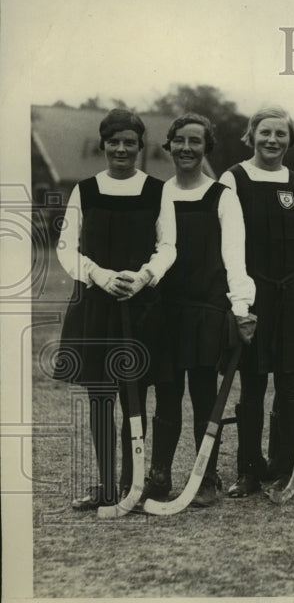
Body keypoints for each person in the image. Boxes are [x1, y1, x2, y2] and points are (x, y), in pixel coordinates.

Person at [55, 108, 176, 510]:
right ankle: (106, 487)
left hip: (140, 308)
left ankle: (132, 486)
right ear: (103, 145)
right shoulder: (85, 190)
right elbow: (66, 247)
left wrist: (143, 277)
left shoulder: (158, 190)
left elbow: (168, 246)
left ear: (140, 146)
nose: (121, 149)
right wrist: (98, 275)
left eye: (129, 142)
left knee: (134, 398)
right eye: (114, 142)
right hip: (95, 306)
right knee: (101, 398)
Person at [219, 106, 294, 497]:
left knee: (290, 385)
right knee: (252, 384)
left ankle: (283, 466)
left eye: (281, 134)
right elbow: (229, 247)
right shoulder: (234, 179)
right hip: (255, 292)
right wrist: (240, 305)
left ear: (290, 140)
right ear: (251, 135)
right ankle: (248, 469)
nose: (272, 140)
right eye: (265, 132)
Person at [155, 113, 257, 506]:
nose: (186, 148)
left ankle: (206, 477)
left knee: (203, 396)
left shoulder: (222, 196)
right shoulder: (159, 194)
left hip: (206, 309)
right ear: (169, 145)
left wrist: (241, 307)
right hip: (166, 310)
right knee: (166, 396)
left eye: (195, 141)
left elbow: (234, 255)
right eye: (179, 140)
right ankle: (159, 475)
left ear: (206, 148)